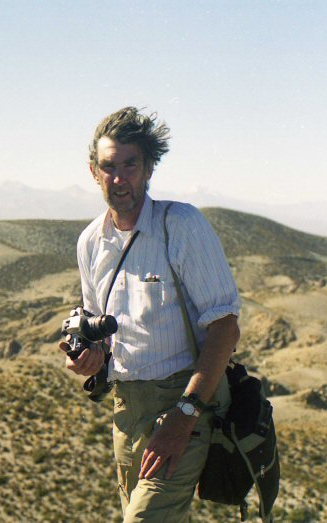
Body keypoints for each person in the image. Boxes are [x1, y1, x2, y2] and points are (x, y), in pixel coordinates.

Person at [60, 106, 241, 522]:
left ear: (148, 168)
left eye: (130, 165)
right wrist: (89, 357)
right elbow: (102, 339)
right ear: (94, 171)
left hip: (184, 404)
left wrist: (185, 414)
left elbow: (225, 326)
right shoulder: (90, 242)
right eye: (109, 167)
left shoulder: (179, 226)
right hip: (127, 412)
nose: (119, 178)